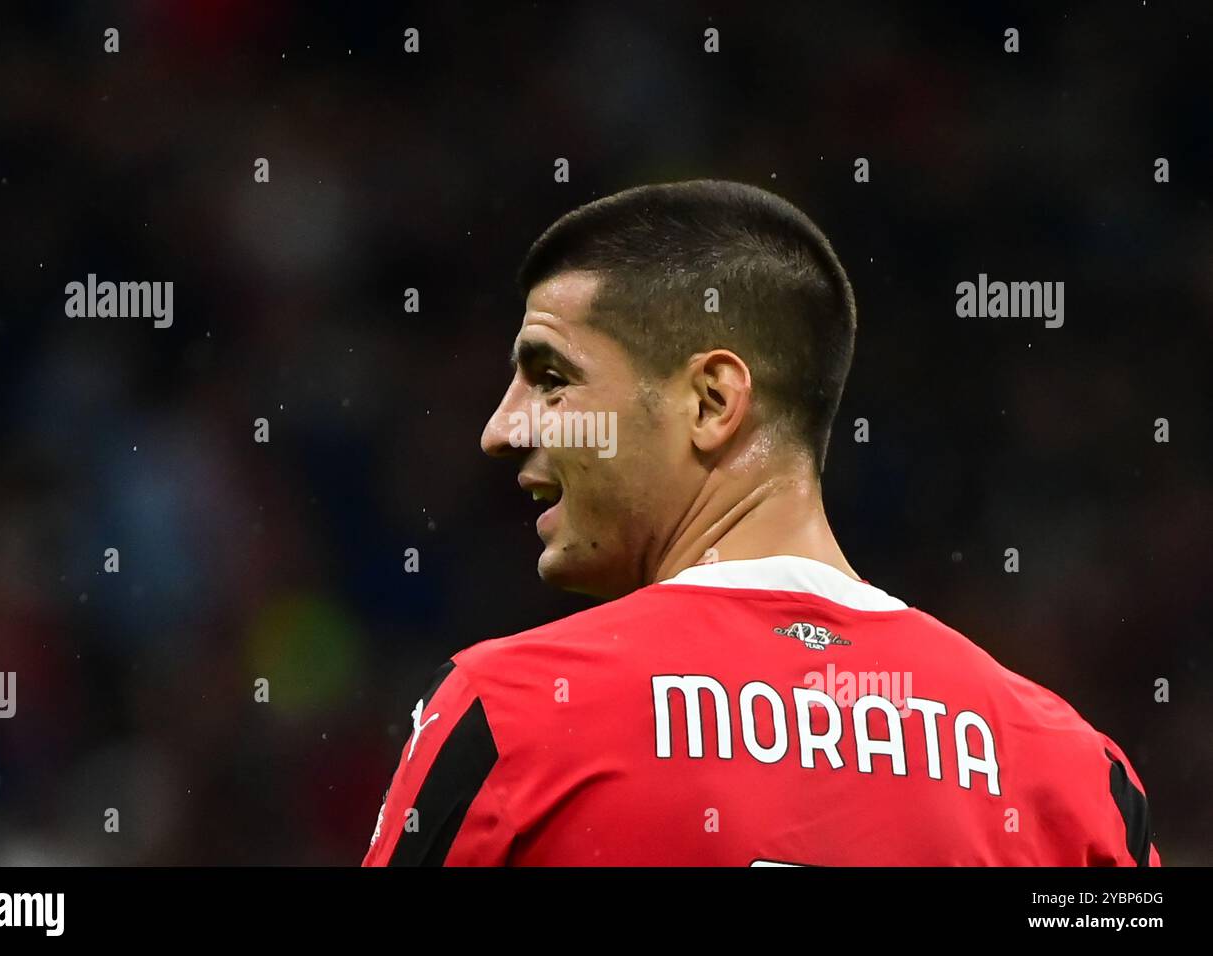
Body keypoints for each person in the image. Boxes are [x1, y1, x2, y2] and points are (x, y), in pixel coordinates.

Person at [362, 180, 1158, 866]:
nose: (502, 429)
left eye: (550, 377)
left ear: (711, 402)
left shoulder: (511, 714)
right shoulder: (1074, 778)